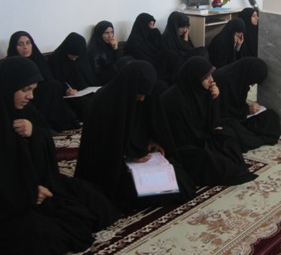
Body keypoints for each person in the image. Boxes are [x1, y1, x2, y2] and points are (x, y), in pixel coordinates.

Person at [0, 57, 120, 255]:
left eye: (33, 90)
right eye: (25, 90)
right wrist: (27, 192)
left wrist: (33, 133)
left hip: (35, 184)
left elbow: (46, 144)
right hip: (1, 205)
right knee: (40, 242)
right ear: (7, 86)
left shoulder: (25, 111)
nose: (30, 96)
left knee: (93, 203)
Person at [75, 61, 195, 212]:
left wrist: (151, 141)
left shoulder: (143, 98)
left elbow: (144, 125)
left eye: (145, 94)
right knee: (129, 193)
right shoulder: (104, 102)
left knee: (182, 183)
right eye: (139, 93)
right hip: (112, 168)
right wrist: (128, 156)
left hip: (142, 159)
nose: (142, 99)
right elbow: (100, 146)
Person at [161, 56, 257, 187]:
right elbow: (184, 135)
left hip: (200, 136)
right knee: (220, 164)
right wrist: (210, 134)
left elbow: (213, 121)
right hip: (184, 146)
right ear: (195, 78)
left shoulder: (199, 91)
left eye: (211, 76)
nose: (212, 80)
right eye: (207, 77)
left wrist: (214, 99)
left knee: (228, 136)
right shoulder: (174, 101)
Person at [7, 31, 79, 131]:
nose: (25, 47)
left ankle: (51, 125)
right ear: (14, 47)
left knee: (55, 87)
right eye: (20, 44)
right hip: (27, 97)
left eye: (28, 43)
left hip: (44, 95)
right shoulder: (10, 64)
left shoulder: (38, 60)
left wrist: (66, 89)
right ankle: (47, 125)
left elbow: (50, 77)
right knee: (53, 87)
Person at [213, 57, 281, 150]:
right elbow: (222, 111)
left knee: (270, 116)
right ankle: (256, 139)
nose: (251, 84)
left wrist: (249, 110)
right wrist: (246, 111)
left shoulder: (242, 78)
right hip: (224, 120)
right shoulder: (222, 79)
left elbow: (238, 104)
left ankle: (253, 137)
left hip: (239, 116)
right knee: (234, 130)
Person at [48, 32, 97, 122]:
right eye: (72, 56)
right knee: (83, 103)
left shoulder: (83, 58)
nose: (74, 59)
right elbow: (55, 80)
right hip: (69, 96)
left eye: (77, 57)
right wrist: (66, 90)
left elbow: (89, 77)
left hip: (85, 91)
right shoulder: (55, 60)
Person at [124, 13, 180, 88]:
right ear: (142, 25)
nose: (152, 27)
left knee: (171, 55)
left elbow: (160, 51)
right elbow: (141, 57)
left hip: (155, 63)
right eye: (150, 24)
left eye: (153, 24)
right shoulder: (134, 42)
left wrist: (156, 37)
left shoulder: (151, 36)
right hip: (146, 67)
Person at [87, 20, 133, 85]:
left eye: (112, 32)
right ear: (100, 34)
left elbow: (117, 61)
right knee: (127, 60)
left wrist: (115, 49)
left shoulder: (110, 46)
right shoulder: (94, 51)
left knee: (129, 59)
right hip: (104, 80)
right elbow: (98, 75)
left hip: (115, 76)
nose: (110, 36)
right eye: (106, 33)